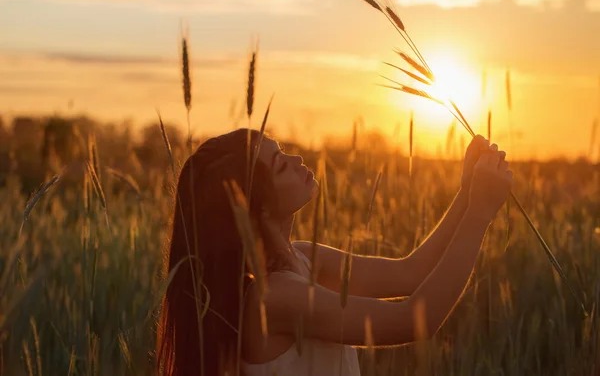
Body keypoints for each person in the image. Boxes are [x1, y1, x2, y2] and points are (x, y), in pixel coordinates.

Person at [156, 128, 512, 376]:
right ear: (258, 208)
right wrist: (480, 214)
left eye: (283, 150)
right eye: (281, 164)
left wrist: (467, 194)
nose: (296, 158)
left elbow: (411, 273)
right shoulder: (272, 298)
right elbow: (415, 320)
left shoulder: (304, 259)